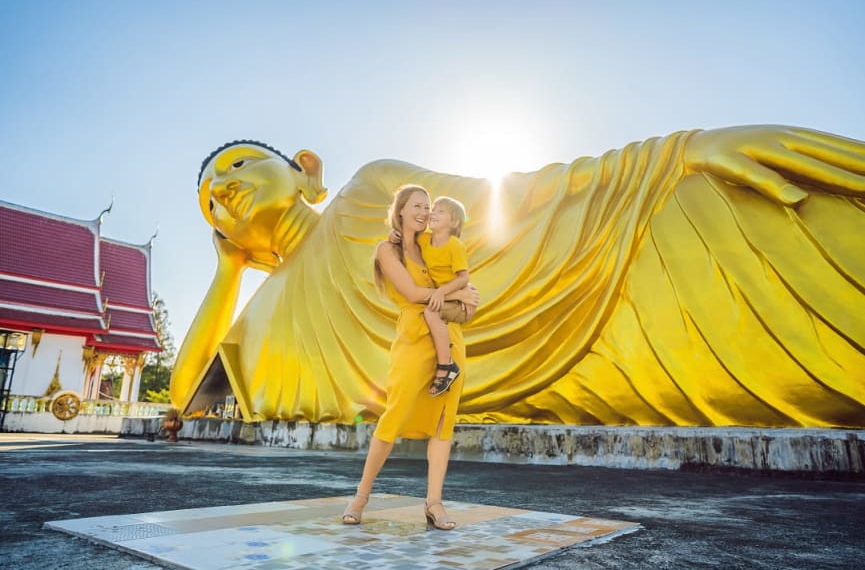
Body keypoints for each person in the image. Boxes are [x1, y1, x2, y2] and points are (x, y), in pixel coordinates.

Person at [172, 126, 865, 430]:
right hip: (570, 389)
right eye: (209, 199)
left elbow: (518, 198)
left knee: (735, 206)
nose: (221, 189)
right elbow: (184, 404)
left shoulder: (368, 190)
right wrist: (229, 272)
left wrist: (675, 152)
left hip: (579, 293)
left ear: (305, 171)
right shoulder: (257, 319)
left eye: (235, 166)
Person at [341, 184, 479, 530]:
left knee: (443, 424)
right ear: (400, 209)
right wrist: (460, 291)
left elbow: (463, 294)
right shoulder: (388, 249)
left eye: (428, 206)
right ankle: (360, 498)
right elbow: (414, 293)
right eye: (417, 205)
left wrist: (464, 294)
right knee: (395, 413)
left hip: (450, 337)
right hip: (414, 338)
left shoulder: (435, 247)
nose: (424, 211)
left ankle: (434, 504)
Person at [392, 195, 471, 396]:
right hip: (443, 297)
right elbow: (406, 237)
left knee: (431, 313)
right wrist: (394, 235)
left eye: (440, 211)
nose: (432, 213)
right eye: (433, 209)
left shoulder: (454, 245)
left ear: (453, 222)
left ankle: (447, 365)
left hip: (458, 302)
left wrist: (442, 292)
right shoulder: (425, 239)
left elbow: (464, 277)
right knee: (431, 312)